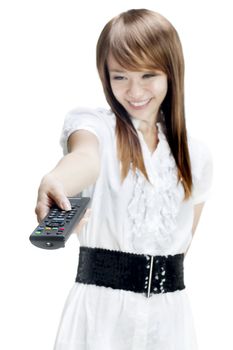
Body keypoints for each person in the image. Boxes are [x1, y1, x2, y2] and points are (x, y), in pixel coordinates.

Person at [35, 8, 213, 350]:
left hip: (170, 322)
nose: (135, 91)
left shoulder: (197, 156)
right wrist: (56, 180)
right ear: (105, 77)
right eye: (120, 76)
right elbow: (84, 158)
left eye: (148, 75)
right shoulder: (94, 126)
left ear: (171, 74)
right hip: (99, 319)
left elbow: (181, 247)